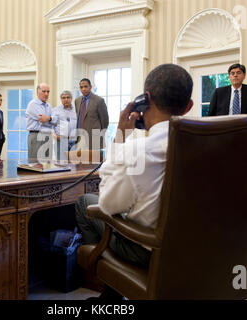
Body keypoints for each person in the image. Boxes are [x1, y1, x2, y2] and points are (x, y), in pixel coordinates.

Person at [75, 64, 193, 299]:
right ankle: (110, 293)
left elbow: (107, 205)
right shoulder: (207, 145)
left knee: (85, 203)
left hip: (148, 250)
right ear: (188, 107)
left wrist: (120, 139)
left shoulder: (138, 150)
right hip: (192, 248)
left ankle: (106, 281)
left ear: (145, 99)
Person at [75, 78, 109, 150]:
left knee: (94, 160)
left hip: (94, 138)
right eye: (81, 87)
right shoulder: (77, 101)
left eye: (85, 86)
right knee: (80, 160)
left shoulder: (99, 100)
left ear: (90, 87)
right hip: (80, 137)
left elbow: (105, 120)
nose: (83, 89)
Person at [25, 83, 54, 160]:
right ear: (38, 92)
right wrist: (50, 119)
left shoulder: (49, 106)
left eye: (48, 92)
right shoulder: (33, 104)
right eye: (44, 91)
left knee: (48, 164)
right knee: (35, 164)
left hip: (47, 136)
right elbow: (43, 119)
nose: (46, 94)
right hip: (36, 136)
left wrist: (49, 119)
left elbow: (55, 121)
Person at [51, 90, 77, 161]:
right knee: (61, 164)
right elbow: (51, 126)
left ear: (71, 98)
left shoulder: (76, 110)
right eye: (63, 98)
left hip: (74, 142)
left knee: (74, 165)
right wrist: (55, 136)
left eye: (68, 97)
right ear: (61, 99)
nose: (66, 99)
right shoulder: (55, 110)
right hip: (61, 142)